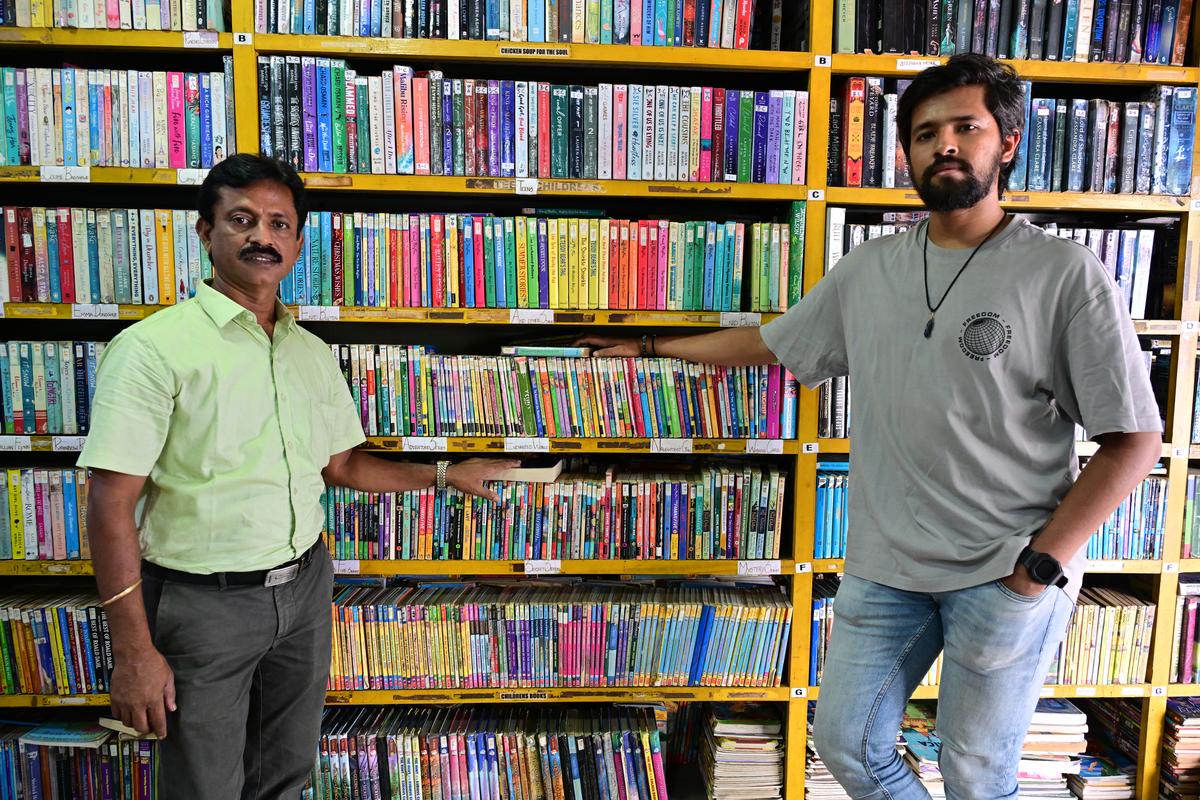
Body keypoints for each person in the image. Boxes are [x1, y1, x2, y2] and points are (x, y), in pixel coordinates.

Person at [577, 54, 1163, 799]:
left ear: (1006, 143)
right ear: (908, 153)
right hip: (885, 569)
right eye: (924, 133)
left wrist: (1039, 569)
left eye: (965, 126)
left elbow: (1134, 439)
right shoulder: (870, 268)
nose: (943, 144)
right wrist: (651, 344)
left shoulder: (1064, 274)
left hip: (1005, 569)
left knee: (977, 776)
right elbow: (773, 341)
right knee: (847, 746)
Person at [77, 154, 516, 800]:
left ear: (297, 242)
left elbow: (342, 465)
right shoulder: (153, 350)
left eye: (280, 224)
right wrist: (134, 652)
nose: (263, 237)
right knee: (205, 787)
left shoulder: (308, 352)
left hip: (304, 592)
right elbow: (110, 503)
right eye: (243, 220)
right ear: (206, 233)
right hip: (204, 608)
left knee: (284, 778)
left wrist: (447, 473)